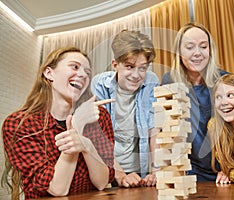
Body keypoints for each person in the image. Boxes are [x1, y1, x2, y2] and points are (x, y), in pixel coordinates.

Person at [1, 47, 115, 199]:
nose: (83, 75)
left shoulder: (100, 117)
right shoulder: (20, 124)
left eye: (87, 72)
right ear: (49, 73)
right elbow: (57, 190)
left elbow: (102, 183)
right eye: (75, 67)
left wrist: (87, 146)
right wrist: (75, 133)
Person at [91, 30, 159, 187]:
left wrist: (155, 172)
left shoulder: (151, 81)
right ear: (115, 65)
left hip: (139, 171)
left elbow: (153, 128)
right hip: (108, 169)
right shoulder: (100, 85)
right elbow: (98, 136)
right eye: (130, 66)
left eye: (143, 68)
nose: (137, 75)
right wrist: (119, 174)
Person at [161, 22, 228, 181]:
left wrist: (231, 167)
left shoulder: (224, 80)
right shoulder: (169, 80)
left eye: (203, 47)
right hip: (188, 171)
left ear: (210, 50)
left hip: (224, 171)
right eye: (190, 47)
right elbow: (167, 129)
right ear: (179, 52)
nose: (197, 53)